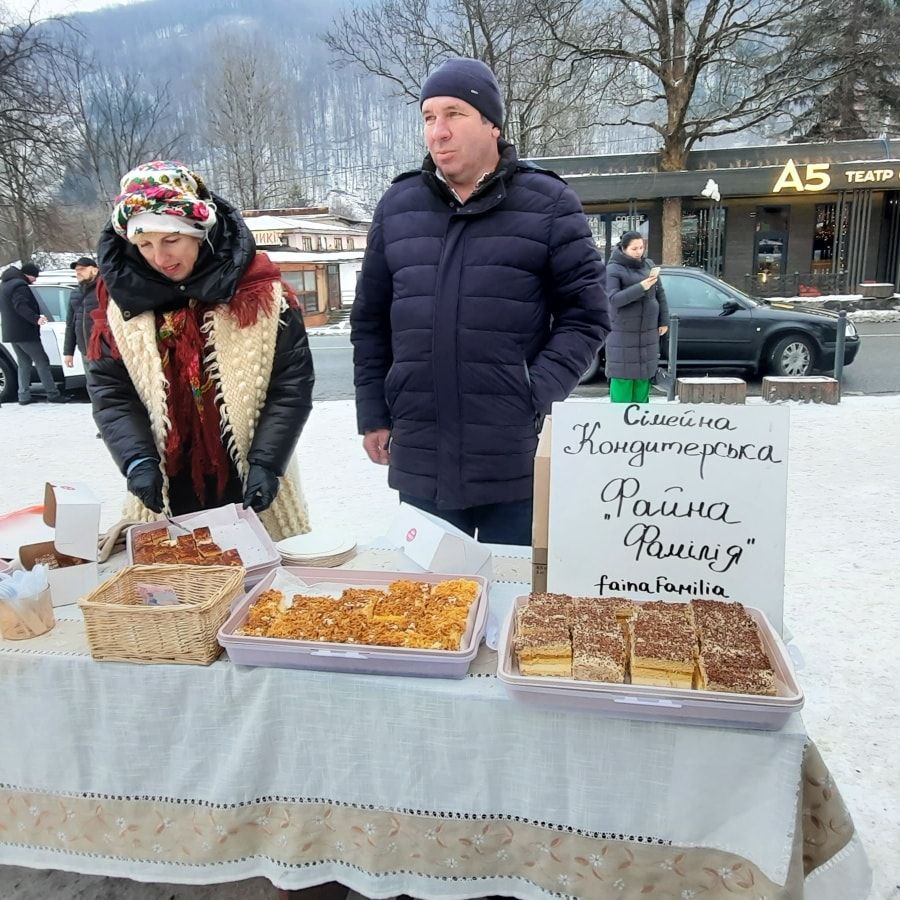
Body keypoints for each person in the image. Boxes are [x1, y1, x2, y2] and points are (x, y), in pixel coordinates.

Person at [351, 57, 610, 546]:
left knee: (508, 604)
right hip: (421, 458)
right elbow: (370, 321)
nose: (438, 132)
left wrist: (534, 389)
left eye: (454, 114)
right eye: (428, 118)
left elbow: (587, 315)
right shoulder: (399, 207)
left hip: (509, 458)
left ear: (492, 123)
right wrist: (374, 413)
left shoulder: (548, 203)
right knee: (431, 610)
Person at [88, 160, 314, 539]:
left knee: (265, 586)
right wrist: (136, 460)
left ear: (199, 231)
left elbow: (290, 384)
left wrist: (267, 463)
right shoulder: (118, 304)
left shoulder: (261, 292)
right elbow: (111, 392)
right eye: (144, 244)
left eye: (171, 240)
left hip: (248, 477)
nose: (160, 258)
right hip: (166, 480)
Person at [604, 231, 669, 403]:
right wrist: (641, 287)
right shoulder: (613, 269)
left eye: (641, 247)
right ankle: (619, 422)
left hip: (647, 332)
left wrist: (664, 320)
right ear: (624, 249)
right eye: (634, 248)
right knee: (623, 378)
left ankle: (641, 421)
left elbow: (660, 294)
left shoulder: (648, 265)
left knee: (643, 376)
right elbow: (614, 299)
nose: (639, 251)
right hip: (623, 333)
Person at [0, 262, 67, 405]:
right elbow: (21, 306)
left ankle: (23, 396)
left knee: (24, 363)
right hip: (24, 332)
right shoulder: (20, 286)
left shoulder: (4, 285)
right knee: (42, 361)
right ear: (28, 275)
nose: (35, 280)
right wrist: (36, 318)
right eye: (34, 277)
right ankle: (53, 394)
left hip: (11, 333)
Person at [63, 256, 100, 373]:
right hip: (85, 352)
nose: (78, 273)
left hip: (104, 352)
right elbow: (71, 325)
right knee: (91, 387)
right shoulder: (75, 294)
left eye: (82, 269)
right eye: (77, 270)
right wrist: (68, 352)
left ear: (95, 270)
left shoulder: (104, 291)